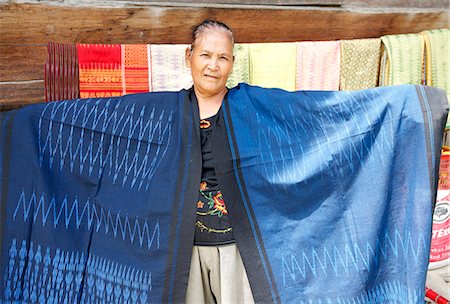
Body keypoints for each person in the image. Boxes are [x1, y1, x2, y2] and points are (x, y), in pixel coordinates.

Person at [184, 20, 255, 304]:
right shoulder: (169, 112)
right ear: (188, 56)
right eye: (205, 55)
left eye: (223, 57)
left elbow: (303, 112)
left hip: (236, 247)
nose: (214, 65)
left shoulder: (248, 106)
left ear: (232, 62)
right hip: (186, 248)